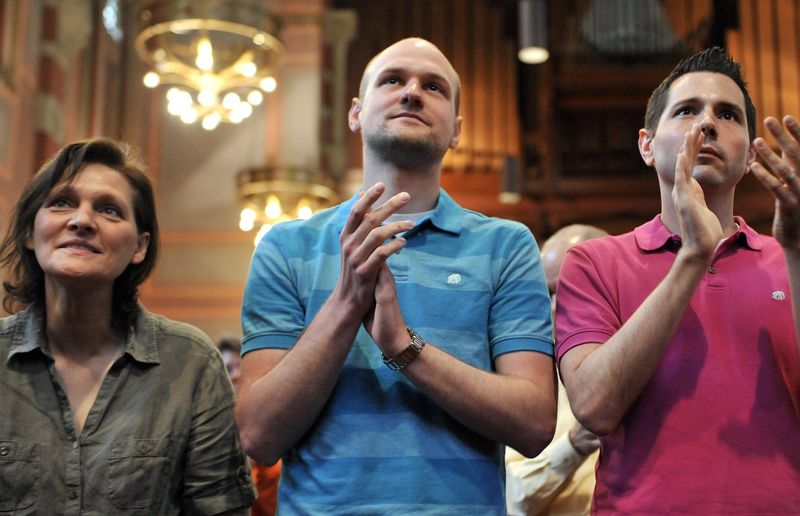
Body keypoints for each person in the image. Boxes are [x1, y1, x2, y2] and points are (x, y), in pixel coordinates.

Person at [236, 37, 556, 514]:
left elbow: (534, 425)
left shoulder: (505, 245)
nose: (411, 93)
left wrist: (405, 349)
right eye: (393, 80)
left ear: (456, 131)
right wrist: (347, 303)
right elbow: (259, 436)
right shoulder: (286, 247)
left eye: (433, 87)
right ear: (355, 112)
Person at [555, 47, 800, 514]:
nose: (707, 124)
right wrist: (693, 257)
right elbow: (595, 407)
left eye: (728, 114)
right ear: (646, 145)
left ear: (747, 158)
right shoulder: (593, 261)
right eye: (687, 110)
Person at [0, 139, 255, 514]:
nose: (81, 220)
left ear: (139, 245)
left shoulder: (190, 363)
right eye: (61, 202)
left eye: (108, 209)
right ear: (29, 233)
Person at [506, 224, 606, 516]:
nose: (554, 307)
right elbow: (511, 499)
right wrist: (573, 446)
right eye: (548, 292)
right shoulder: (522, 379)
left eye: (573, 291)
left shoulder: (660, 367)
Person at [217, 336, 280, 516]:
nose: (236, 374)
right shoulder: (211, 425)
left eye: (240, 366)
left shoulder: (270, 417)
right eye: (228, 369)